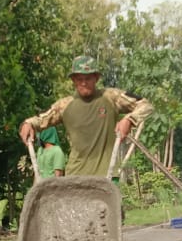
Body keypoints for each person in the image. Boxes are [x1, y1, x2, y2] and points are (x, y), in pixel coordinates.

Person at [19, 56, 153, 176]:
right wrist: (27, 124)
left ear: (96, 78)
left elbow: (146, 105)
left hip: (108, 176)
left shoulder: (111, 97)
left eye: (88, 78)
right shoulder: (65, 105)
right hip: (76, 178)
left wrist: (130, 120)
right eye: (79, 79)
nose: (84, 83)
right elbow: (41, 119)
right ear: (73, 80)